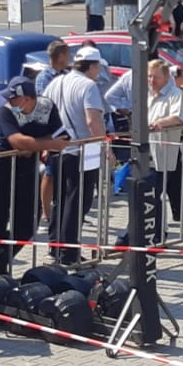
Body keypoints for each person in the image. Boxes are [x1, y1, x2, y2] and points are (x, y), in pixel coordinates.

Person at [0, 79, 66, 274]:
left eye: (14, 98)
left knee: (28, 224)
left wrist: (33, 145)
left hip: (28, 169)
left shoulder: (47, 106)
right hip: (2, 168)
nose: (10, 102)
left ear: (27, 99)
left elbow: (62, 136)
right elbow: (16, 140)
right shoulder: (6, 111)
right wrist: (46, 144)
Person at [42, 46, 109, 264]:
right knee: (78, 202)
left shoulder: (56, 82)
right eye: (98, 67)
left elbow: (43, 113)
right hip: (82, 151)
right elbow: (92, 120)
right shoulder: (88, 86)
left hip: (58, 148)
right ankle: (69, 253)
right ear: (93, 66)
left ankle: (55, 247)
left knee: (60, 200)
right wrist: (105, 147)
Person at [142, 59, 183, 240]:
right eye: (149, 76)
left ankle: (158, 234)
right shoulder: (147, 95)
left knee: (155, 194)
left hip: (164, 155)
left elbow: (178, 117)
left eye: (155, 77)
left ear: (166, 77)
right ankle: (154, 233)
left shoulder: (175, 94)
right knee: (149, 195)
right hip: (146, 153)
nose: (151, 80)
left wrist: (159, 123)